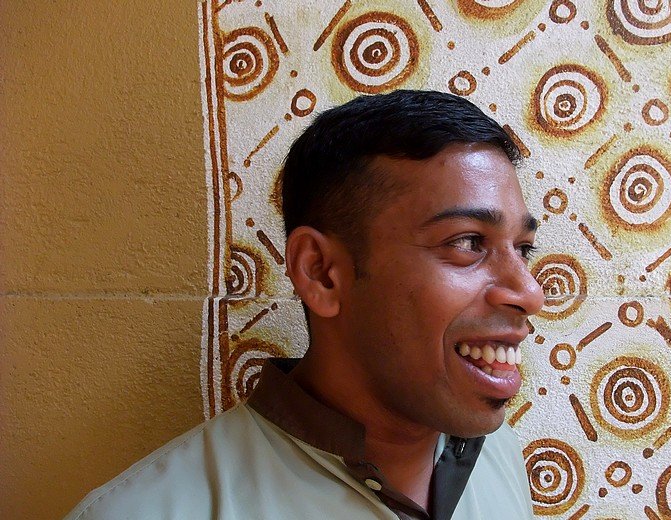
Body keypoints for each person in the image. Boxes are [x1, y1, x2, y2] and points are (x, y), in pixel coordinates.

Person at [65, 90, 544, 519]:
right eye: (467, 242)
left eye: (523, 249)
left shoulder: (498, 455)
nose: (529, 293)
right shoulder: (147, 511)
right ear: (321, 273)